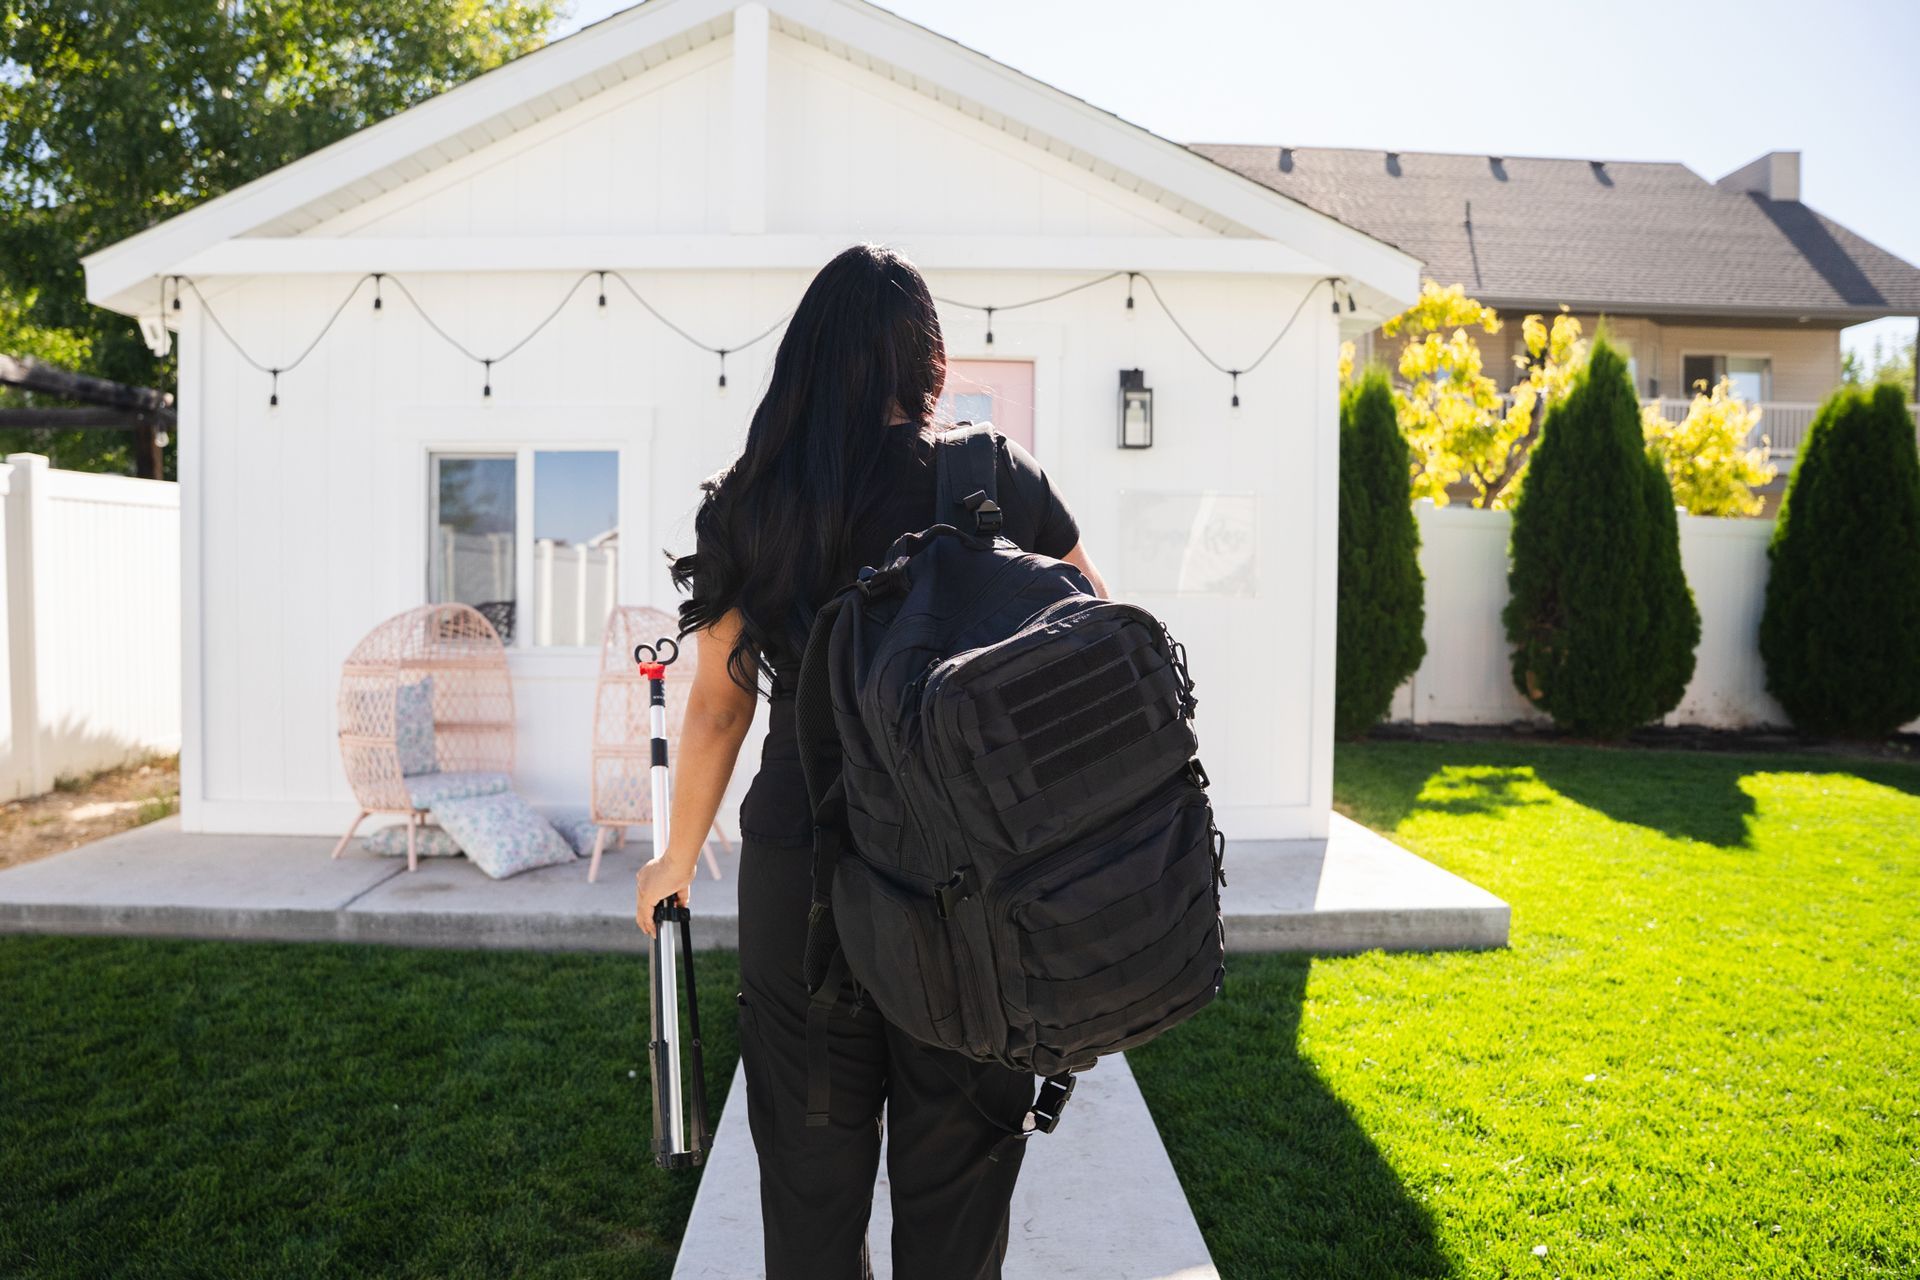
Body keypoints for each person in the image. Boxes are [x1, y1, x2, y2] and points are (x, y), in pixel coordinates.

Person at [633, 243, 1109, 1280]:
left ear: (807, 360)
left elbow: (716, 709)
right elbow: (1096, 650)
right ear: (926, 363)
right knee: (958, 1190)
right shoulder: (996, 480)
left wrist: (676, 857)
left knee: (808, 1197)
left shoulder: (759, 499)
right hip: (969, 884)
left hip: (804, 875)